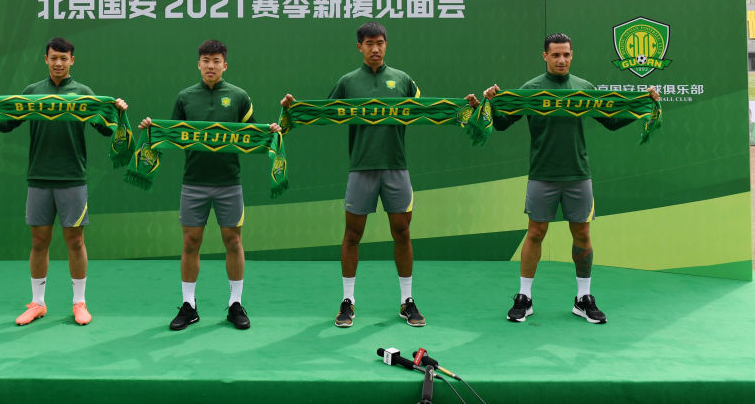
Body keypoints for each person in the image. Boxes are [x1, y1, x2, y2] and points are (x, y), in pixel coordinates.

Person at [282, 22, 476, 328]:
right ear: (359, 47)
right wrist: (293, 109)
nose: (375, 48)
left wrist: (463, 108)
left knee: (402, 233)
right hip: (361, 168)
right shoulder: (347, 82)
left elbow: (426, 110)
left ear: (386, 45)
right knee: (352, 235)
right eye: (369, 43)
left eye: (380, 43)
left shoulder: (403, 80)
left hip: (396, 167)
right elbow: (322, 113)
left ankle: (407, 301)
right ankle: (347, 301)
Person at [483, 32, 659, 325]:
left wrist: (643, 104)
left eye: (566, 54)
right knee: (535, 233)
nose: (561, 60)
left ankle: (583, 299)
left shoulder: (584, 88)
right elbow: (501, 124)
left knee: (583, 235)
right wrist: (490, 102)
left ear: (572, 55)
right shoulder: (531, 89)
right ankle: (524, 297)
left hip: (578, 175)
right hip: (542, 175)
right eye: (555, 55)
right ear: (545, 56)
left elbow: (612, 121)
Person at [0, 37, 127, 327]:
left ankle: (79, 302)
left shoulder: (83, 93)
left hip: (73, 178)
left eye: (63, 58)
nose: (58, 63)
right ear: (46, 59)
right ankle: (38, 303)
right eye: (53, 58)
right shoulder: (33, 92)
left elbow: (106, 129)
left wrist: (116, 111)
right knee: (39, 241)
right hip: (39, 178)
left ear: (72, 61)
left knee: (76, 241)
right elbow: (8, 122)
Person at [139, 39, 280, 331]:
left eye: (216, 61)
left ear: (225, 65)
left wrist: (271, 131)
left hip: (229, 182)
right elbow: (172, 134)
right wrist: (152, 129)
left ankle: (235, 304)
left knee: (233, 241)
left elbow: (253, 131)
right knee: (191, 242)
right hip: (194, 183)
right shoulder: (185, 97)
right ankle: (189, 306)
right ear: (199, 64)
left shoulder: (239, 96)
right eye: (206, 61)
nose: (211, 66)